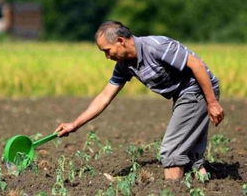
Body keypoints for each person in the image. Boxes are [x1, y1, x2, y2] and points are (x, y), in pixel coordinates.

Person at [55, 21, 224, 180]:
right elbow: (105, 97)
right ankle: (202, 182)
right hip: (182, 94)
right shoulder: (124, 65)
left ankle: (172, 189)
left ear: (120, 41)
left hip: (197, 90)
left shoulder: (156, 46)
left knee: (171, 151)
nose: (107, 56)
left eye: (107, 50)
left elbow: (197, 65)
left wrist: (212, 102)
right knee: (189, 152)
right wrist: (74, 124)